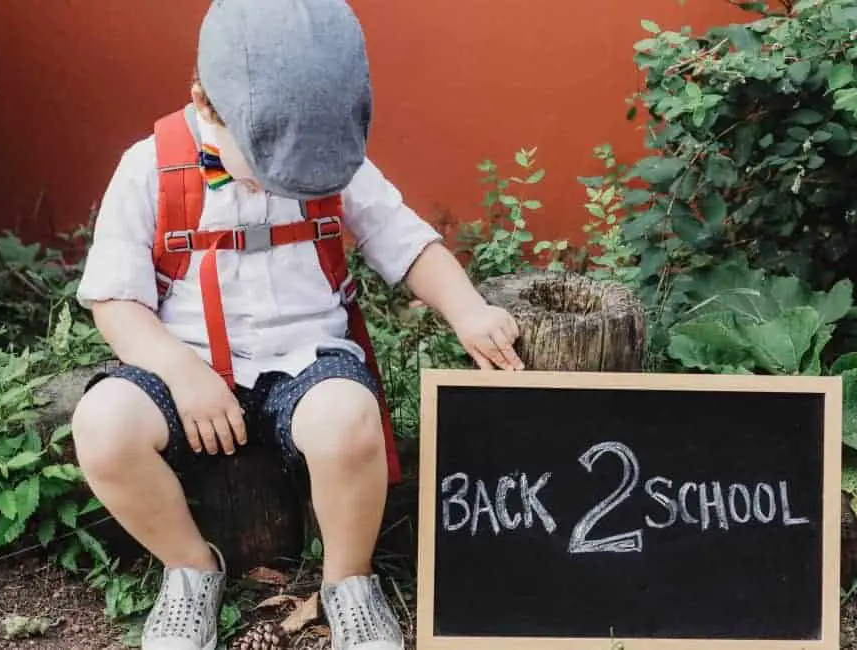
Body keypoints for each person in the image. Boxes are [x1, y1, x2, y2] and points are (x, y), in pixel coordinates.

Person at [70, 1, 523, 649]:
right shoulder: (150, 169)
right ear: (205, 103)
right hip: (183, 366)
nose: (293, 177)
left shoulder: (334, 159)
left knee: (349, 421)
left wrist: (468, 309)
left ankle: (348, 580)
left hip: (305, 363)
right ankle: (190, 567)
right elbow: (114, 301)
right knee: (102, 426)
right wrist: (180, 371)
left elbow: (408, 243)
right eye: (271, 159)